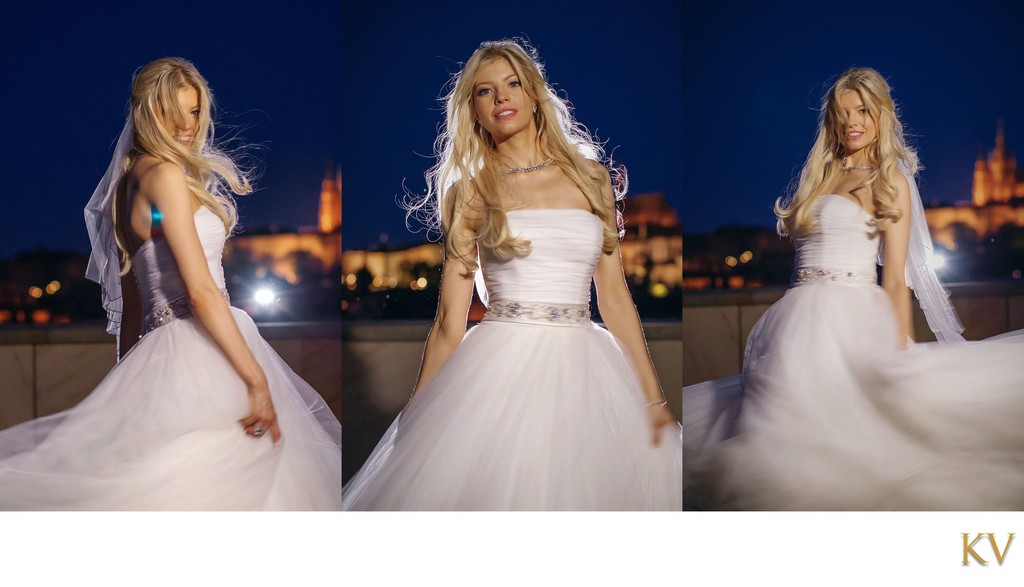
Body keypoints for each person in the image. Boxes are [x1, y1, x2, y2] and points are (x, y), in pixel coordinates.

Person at [342, 39, 682, 510]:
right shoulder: (470, 191)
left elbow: (617, 298)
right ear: (474, 110)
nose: (501, 98)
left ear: (534, 93)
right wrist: (415, 418)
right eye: (485, 91)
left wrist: (653, 399)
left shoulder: (591, 178)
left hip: (588, 371)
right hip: (498, 371)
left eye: (512, 84)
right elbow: (447, 322)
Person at [0, 58, 341, 510]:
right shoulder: (164, 175)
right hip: (204, 350)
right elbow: (200, 290)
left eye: (195, 111)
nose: (186, 125)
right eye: (171, 112)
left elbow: (134, 303)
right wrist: (256, 379)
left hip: (163, 354)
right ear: (146, 113)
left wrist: (129, 380)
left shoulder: (125, 187)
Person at [683, 67, 1024, 510]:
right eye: (842, 113)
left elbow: (895, 279)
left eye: (862, 110)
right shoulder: (820, 176)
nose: (852, 122)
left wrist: (900, 351)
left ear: (881, 114)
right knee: (784, 434)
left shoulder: (890, 181)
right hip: (794, 323)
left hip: (849, 321)